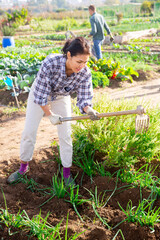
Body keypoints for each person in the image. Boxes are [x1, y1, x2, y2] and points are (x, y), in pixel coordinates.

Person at [7, 37, 99, 186]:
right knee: (29, 132)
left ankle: (66, 174)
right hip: (39, 95)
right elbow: (41, 96)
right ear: (69, 55)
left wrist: (89, 109)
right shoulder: (51, 63)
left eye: (85, 62)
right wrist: (50, 115)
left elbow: (84, 98)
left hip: (61, 97)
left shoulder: (84, 73)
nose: (82, 66)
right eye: (79, 62)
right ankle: (23, 169)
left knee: (66, 134)